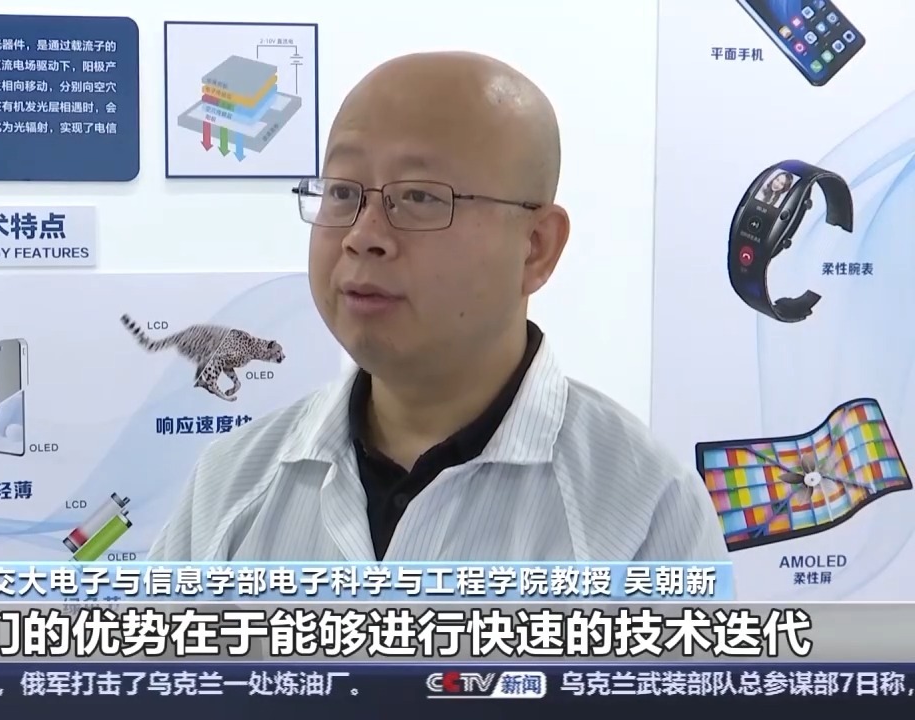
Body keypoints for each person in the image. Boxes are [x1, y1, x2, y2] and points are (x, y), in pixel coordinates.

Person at [148, 52, 731, 563]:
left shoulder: (646, 508)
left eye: (419, 197)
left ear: (536, 247)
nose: (362, 236)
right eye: (343, 192)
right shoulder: (231, 482)